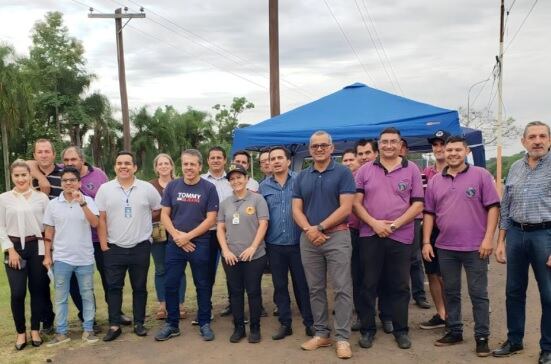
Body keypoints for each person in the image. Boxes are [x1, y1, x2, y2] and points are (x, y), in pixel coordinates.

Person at [422, 136, 499, 357]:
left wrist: (488, 239)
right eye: (449, 150)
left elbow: (493, 208)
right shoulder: (436, 180)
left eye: (457, 149)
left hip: (476, 247)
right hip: (445, 247)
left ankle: (482, 336)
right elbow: (429, 213)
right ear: (444, 153)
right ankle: (454, 330)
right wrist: (427, 241)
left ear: (466, 151)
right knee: (451, 291)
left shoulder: (481, 175)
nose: (453, 153)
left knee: (478, 294)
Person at [354, 127, 424, 350]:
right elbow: (355, 203)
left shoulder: (411, 168)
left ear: (400, 144)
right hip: (369, 235)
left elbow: (418, 204)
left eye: (393, 141)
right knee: (368, 284)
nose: (389, 146)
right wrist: (374, 224)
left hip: (401, 235)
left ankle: (400, 330)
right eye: (384, 142)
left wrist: (394, 225)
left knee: (400, 285)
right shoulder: (364, 170)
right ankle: (367, 329)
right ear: (379, 144)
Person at [293, 130, 355, 359]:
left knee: (341, 287)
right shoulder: (301, 177)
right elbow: (296, 209)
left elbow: (346, 208)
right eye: (315, 146)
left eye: (323, 145)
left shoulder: (343, 172)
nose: (319, 149)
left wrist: (319, 228)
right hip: (309, 239)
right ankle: (321, 333)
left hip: (337, 236)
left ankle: (342, 338)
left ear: (331, 148)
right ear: (309, 150)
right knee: (315, 288)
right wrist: (310, 230)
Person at [493, 121, 551, 364]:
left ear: (549, 140)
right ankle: (514, 340)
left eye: (542, 136)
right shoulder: (516, 167)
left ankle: (547, 347)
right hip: (516, 234)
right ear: (523, 141)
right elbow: (506, 205)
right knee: (513, 291)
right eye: (532, 137)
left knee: (548, 295)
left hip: (545, 236)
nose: (537, 141)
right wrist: (501, 240)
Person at [96, 151, 162, 341]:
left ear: (135, 167)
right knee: (113, 288)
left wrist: (143, 222)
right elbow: (101, 219)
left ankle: (139, 323)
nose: (123, 166)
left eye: (127, 163)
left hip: (140, 247)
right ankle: (114, 324)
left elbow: (157, 210)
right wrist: (103, 245)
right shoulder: (105, 189)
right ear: (115, 167)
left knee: (139, 287)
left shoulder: (147, 188)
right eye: (119, 163)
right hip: (113, 248)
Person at [154, 149, 218, 342]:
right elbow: (165, 214)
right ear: (181, 166)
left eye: (193, 164)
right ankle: (172, 324)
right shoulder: (172, 186)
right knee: (171, 283)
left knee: (203, 284)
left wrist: (188, 237)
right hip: (175, 243)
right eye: (185, 164)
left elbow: (211, 219)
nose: (189, 168)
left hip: (201, 242)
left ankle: (204, 322)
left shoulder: (209, 188)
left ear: (200, 166)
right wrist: (177, 236)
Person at [61, 146, 126, 329]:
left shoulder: (98, 175)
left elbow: (108, 202)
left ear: (83, 159)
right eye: (66, 161)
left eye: (73, 160)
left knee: (110, 279)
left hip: (100, 238)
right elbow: (34, 163)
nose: (69, 163)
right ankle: (88, 318)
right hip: (76, 242)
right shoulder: (64, 175)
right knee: (79, 284)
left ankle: (116, 313)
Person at [259, 146, 314, 340]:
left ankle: (310, 322)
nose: (275, 161)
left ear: (288, 161)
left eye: (279, 158)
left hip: (299, 243)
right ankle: (285, 323)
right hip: (274, 245)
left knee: (302, 285)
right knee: (280, 286)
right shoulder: (263, 186)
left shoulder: (301, 180)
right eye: (272, 158)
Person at [42, 166, 100, 346]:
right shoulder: (53, 205)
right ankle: (61, 332)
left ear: (79, 182)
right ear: (61, 184)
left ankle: (88, 329)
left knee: (87, 295)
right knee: (60, 297)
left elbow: (95, 223)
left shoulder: (88, 200)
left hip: (84, 257)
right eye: (65, 180)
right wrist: (47, 255)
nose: (69, 183)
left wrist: (81, 203)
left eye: (72, 180)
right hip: (61, 258)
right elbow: (49, 231)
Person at [0, 160, 50, 350]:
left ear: (30, 176)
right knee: (18, 292)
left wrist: (48, 253)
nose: (21, 179)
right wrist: (10, 250)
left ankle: (35, 330)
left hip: (36, 247)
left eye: (24, 175)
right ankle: (20, 333)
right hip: (14, 249)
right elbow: (1, 227)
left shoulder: (41, 198)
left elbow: (48, 227)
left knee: (37, 290)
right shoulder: (4, 199)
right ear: (12, 177)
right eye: (17, 175)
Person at [217, 163, 269, 344]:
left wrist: (253, 247)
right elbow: (220, 228)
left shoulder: (257, 199)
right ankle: (239, 328)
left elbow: (263, 224)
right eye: (232, 178)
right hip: (232, 256)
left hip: (254, 255)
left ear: (247, 179)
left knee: (253, 291)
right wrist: (225, 250)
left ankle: (255, 328)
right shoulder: (225, 203)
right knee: (235, 293)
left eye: (239, 177)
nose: (236, 181)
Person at [149, 153, 187, 321]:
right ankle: (163, 304)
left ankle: (179, 304)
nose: (163, 166)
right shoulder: (149, 186)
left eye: (166, 163)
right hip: (157, 232)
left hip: (178, 232)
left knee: (179, 268)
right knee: (160, 269)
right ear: (156, 167)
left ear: (172, 166)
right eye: (160, 164)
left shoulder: (181, 183)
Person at [419, 131, 450, 330]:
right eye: (435, 145)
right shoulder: (425, 173)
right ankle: (441, 313)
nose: (438, 149)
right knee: (431, 273)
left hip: (451, 231)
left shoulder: (462, 171)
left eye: (442, 145)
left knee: (446, 275)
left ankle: (451, 315)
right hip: (430, 230)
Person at [202, 146, 233, 318]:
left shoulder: (233, 180)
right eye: (212, 157)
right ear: (207, 161)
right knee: (206, 272)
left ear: (224, 160)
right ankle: (206, 307)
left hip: (230, 233)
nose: (215, 160)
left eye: (219, 157)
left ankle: (233, 304)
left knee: (232, 270)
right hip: (207, 234)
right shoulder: (200, 181)